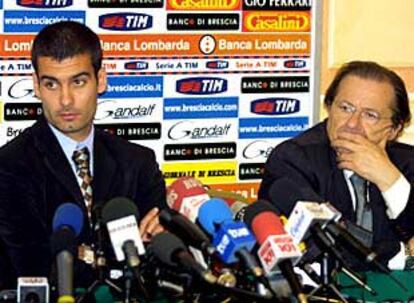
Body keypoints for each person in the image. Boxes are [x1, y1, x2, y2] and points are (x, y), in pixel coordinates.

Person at [0, 21, 166, 289]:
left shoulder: (138, 162)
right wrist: (120, 258)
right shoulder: (9, 166)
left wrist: (84, 256)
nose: (65, 100)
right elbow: (35, 270)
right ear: (36, 85)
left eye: (78, 82)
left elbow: (159, 265)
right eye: (52, 84)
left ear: (100, 80)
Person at [258, 61, 414, 268]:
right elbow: (324, 245)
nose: (352, 124)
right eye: (345, 108)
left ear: (394, 129)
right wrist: (403, 255)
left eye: (370, 115)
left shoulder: (406, 162)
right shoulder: (293, 159)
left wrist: (390, 181)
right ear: (329, 107)